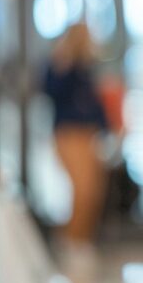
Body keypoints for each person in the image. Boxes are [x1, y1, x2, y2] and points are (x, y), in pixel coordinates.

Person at [43, 23, 107, 262]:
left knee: (93, 190)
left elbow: (94, 102)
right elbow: (51, 92)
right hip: (68, 133)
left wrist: (105, 127)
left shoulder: (86, 68)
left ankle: (82, 239)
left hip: (88, 133)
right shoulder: (61, 64)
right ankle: (70, 240)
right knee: (82, 189)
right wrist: (64, 65)